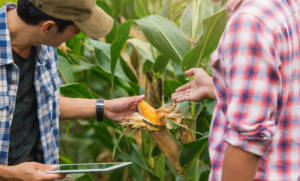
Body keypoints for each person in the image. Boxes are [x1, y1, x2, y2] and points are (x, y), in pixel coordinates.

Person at [0, 0, 144, 180]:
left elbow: (44, 102)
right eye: (76, 31)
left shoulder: (43, 44)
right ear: (48, 27)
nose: (75, 36)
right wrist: (10, 174)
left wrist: (105, 108)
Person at [173, 0, 300, 180]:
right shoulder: (286, 6)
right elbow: (286, 88)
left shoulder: (250, 22)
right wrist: (219, 86)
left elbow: (247, 143)